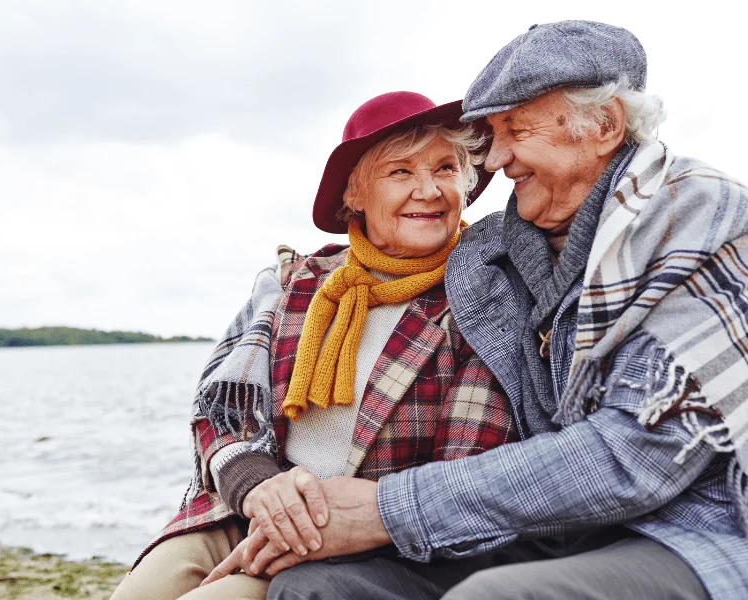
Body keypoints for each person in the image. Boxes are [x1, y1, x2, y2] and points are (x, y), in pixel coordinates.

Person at [213, 21, 748, 600]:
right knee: (317, 588)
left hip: (693, 531)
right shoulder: (526, 240)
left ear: (605, 127)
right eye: (490, 136)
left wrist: (383, 511)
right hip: (558, 530)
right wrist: (273, 494)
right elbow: (223, 406)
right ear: (354, 198)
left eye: (513, 130)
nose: (494, 160)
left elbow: (639, 454)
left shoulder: (693, 215)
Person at [108, 91, 517, 600]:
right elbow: (220, 406)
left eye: (446, 168)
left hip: (375, 537)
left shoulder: (485, 296)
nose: (429, 190)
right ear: (356, 196)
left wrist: (317, 519)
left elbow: (465, 471)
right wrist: (257, 487)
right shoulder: (295, 281)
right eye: (400, 173)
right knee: (142, 591)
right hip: (253, 506)